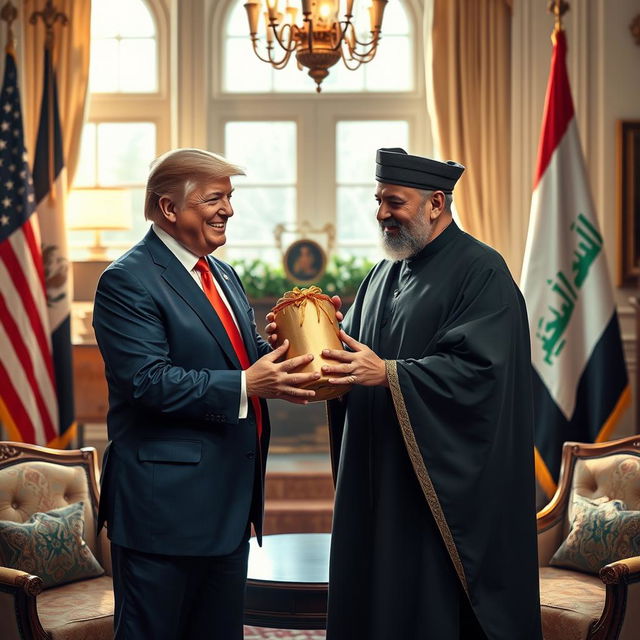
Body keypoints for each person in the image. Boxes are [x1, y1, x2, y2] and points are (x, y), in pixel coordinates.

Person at [268, 148, 542, 639]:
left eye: (394, 202)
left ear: (436, 203)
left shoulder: (483, 273)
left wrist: (393, 374)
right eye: (378, 201)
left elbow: (484, 374)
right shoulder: (381, 275)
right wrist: (302, 340)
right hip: (375, 486)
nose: (381, 214)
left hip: (432, 495)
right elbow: (344, 366)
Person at [92, 148, 321, 640]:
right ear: (169, 208)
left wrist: (297, 348)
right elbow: (147, 381)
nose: (229, 210)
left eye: (230, 198)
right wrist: (248, 383)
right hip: (163, 514)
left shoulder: (221, 272)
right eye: (215, 199)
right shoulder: (125, 280)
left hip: (229, 508)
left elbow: (247, 354)